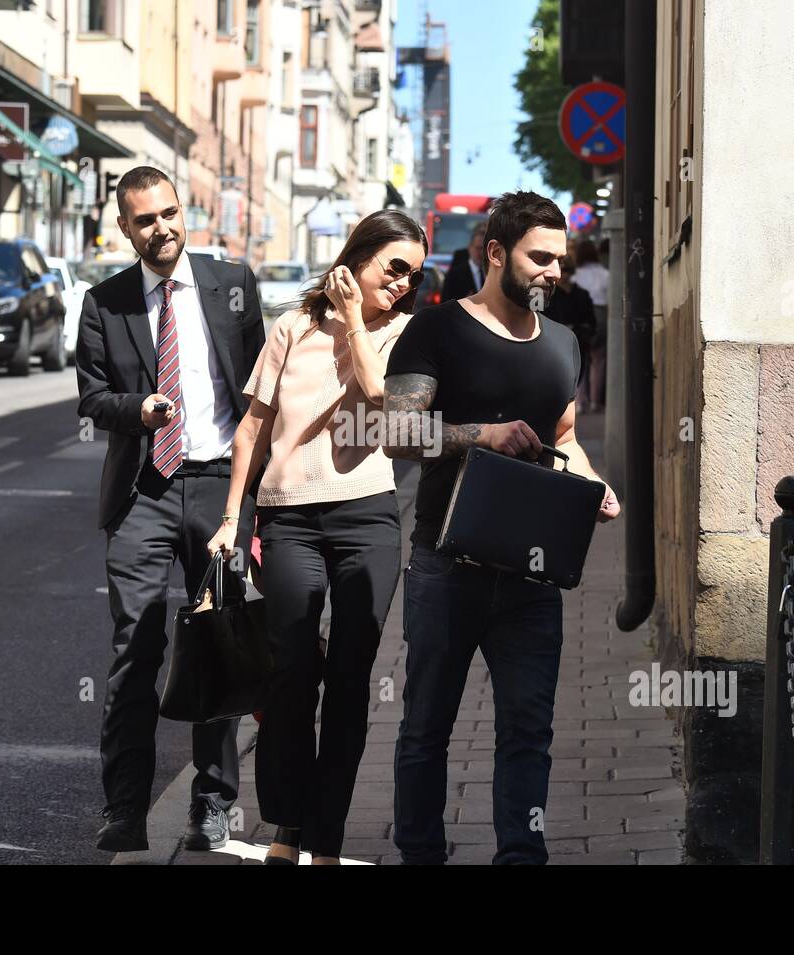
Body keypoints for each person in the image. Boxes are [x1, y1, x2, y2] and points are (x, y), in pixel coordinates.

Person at [383, 190, 621, 865]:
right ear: (495, 253)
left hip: (534, 572)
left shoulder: (565, 342)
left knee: (528, 729)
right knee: (426, 726)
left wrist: (594, 481)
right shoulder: (437, 329)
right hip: (445, 565)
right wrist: (483, 434)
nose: (554, 271)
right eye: (540, 257)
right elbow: (396, 433)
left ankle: (522, 853)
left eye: (561, 260)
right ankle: (421, 852)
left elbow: (566, 437)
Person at [206, 210, 427, 864]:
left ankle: (326, 838)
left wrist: (356, 316)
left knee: (352, 679)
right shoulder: (293, 325)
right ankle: (287, 825)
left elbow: (380, 397)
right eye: (393, 267)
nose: (402, 283)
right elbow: (252, 425)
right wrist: (229, 518)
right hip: (290, 516)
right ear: (358, 255)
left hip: (368, 516)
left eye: (412, 275)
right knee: (292, 671)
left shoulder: (408, 334)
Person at [76, 165, 265, 853]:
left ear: (184, 213)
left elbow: (258, 390)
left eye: (169, 213)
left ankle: (212, 805)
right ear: (125, 228)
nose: (162, 228)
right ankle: (123, 807)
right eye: (145, 219)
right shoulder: (106, 302)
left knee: (217, 639)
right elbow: (93, 399)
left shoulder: (232, 285)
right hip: (144, 493)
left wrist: (253, 502)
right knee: (138, 644)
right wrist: (140, 409)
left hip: (218, 484)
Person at [544, 257, 596, 410]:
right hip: (555, 343)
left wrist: (583, 330)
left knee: (578, 375)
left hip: (578, 341)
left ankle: (576, 403)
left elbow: (590, 320)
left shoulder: (581, 294)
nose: (563, 274)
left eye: (566, 270)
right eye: (561, 270)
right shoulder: (549, 296)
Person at [571, 238, 609, 412]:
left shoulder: (575, 275)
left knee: (580, 361)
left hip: (581, 317)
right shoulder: (605, 273)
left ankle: (580, 402)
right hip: (601, 314)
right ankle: (595, 401)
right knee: (599, 359)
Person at [439, 222, 486, 302]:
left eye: (484, 249)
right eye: (478, 248)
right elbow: (445, 302)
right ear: (470, 248)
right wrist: (463, 303)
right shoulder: (455, 274)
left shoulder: (492, 273)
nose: (481, 253)